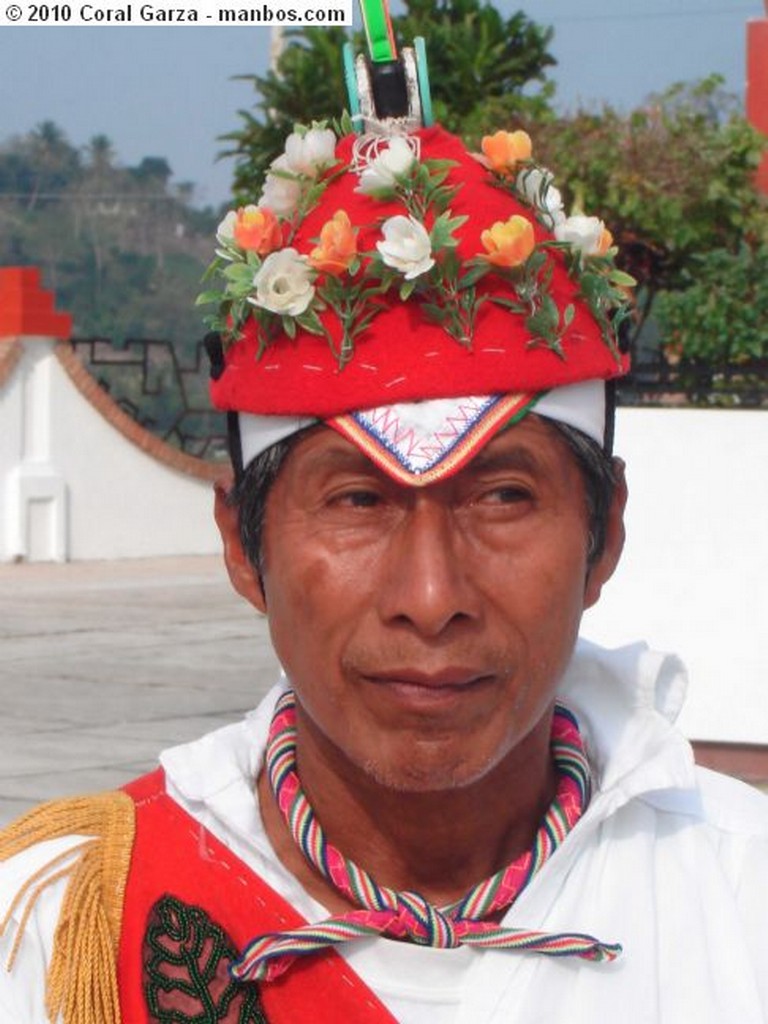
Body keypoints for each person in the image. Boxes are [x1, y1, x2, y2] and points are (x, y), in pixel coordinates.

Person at [2, 53, 767, 1024]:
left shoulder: (741, 904)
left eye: (501, 496)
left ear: (605, 534)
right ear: (243, 544)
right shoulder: (63, 929)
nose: (431, 593)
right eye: (358, 501)